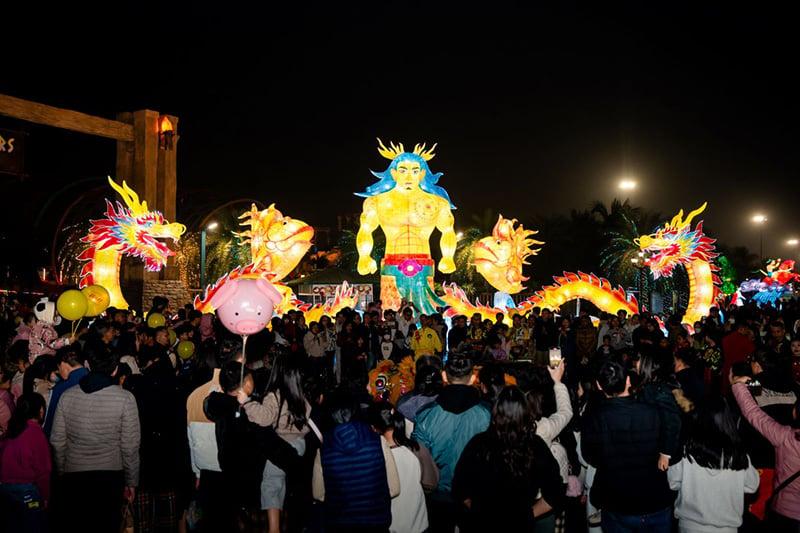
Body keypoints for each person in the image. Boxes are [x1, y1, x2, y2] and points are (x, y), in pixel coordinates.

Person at [49, 338, 141, 533]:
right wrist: (132, 481)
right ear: (115, 369)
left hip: (74, 475)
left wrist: (61, 471)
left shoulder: (68, 396)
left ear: (87, 365)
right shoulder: (125, 398)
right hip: (111, 476)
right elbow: (130, 446)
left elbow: (57, 442)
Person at [355, 142, 456, 314]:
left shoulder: (438, 203)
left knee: (425, 313)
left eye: (415, 170)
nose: (409, 175)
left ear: (422, 173)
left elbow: (447, 230)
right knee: (392, 312)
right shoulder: (377, 202)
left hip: (424, 266)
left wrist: (448, 256)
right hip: (391, 264)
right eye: (403, 170)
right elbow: (365, 229)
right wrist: (364, 256)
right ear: (393, 173)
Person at [204, 361, 302, 532]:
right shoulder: (250, 414)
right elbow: (272, 446)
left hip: (231, 485)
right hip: (253, 488)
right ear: (247, 383)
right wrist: (295, 459)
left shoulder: (222, 409)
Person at [452, 386, 566, 532]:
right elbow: (555, 492)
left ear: (495, 411)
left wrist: (478, 510)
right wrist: (527, 515)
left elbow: (459, 488)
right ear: (526, 412)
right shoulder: (535, 446)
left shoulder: (478, 444)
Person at [581, 359, 674, 533]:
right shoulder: (653, 411)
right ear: (629, 381)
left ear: (599, 386)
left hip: (617, 501)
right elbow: (669, 446)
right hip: (655, 499)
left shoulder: (593, 418)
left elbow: (590, 457)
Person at [412, 355, 491, 532]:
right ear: (472, 379)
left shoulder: (426, 415)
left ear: (444, 376)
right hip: (474, 493)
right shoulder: (487, 414)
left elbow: (419, 458)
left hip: (438, 493)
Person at [312, 386, 400, 533]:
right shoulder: (378, 442)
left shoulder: (324, 450)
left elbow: (318, 494)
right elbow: (394, 488)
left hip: (339, 525)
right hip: (376, 524)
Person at [667, 395, 759, 533]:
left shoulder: (687, 452)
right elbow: (752, 486)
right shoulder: (737, 456)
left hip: (690, 527)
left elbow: (673, 482)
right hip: (727, 528)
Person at [244, 354, 312, 533]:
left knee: (271, 487)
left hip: (282, 444)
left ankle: (274, 529)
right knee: (289, 488)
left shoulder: (274, 396)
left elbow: (265, 418)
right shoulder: (300, 395)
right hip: (300, 444)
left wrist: (247, 404)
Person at [731, 369, 800, 531]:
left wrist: (741, 384)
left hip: (784, 511)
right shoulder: (789, 383)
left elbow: (753, 412)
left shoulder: (786, 437)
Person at [368, 401, 436, 533]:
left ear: (373, 428)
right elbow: (431, 483)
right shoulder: (416, 449)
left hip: (389, 526)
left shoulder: (372, 456)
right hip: (418, 524)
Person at [0, 393, 50, 532]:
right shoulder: (36, 433)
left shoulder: (11, 431)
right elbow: (43, 470)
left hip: (5, 488)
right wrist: (45, 496)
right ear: (41, 410)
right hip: (27, 490)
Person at [42, 345, 88, 438]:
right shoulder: (94, 379)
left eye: (58, 368)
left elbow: (51, 422)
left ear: (62, 364)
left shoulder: (60, 389)